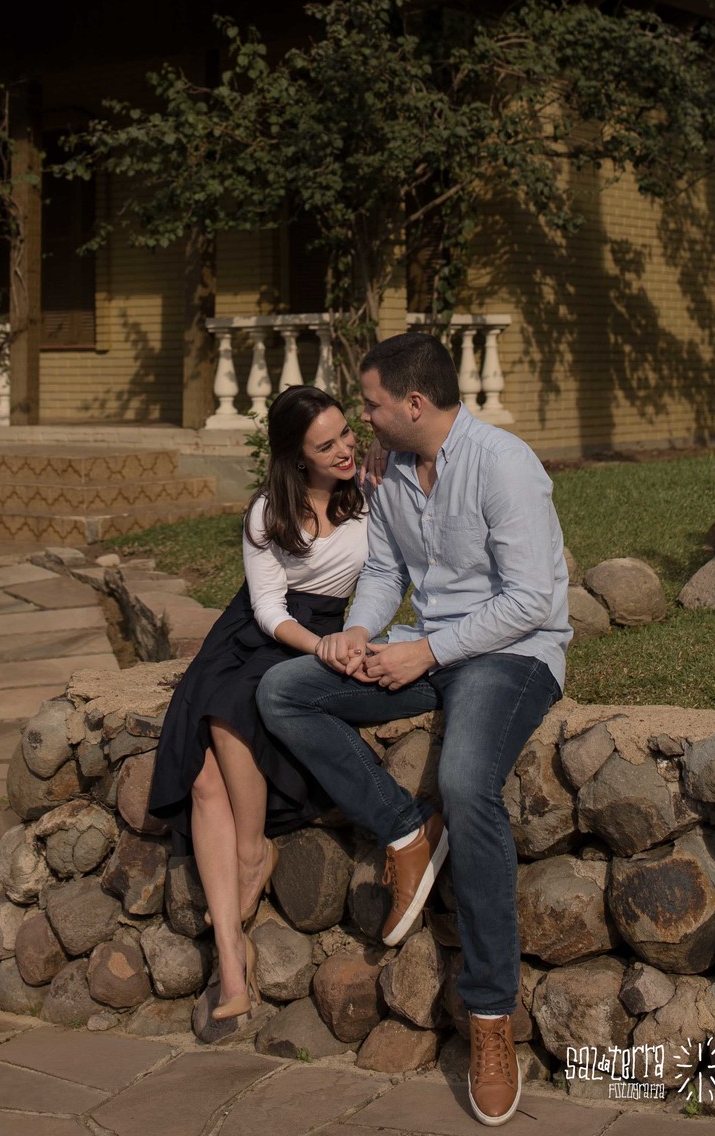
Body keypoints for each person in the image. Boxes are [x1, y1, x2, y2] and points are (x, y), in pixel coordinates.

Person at [257, 332, 570, 1127]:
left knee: (467, 783)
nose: (362, 419)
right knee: (286, 690)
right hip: (427, 651)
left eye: (369, 404)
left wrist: (425, 649)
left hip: (512, 656)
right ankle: (404, 830)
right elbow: (389, 573)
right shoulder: (393, 473)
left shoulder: (504, 465)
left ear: (414, 404)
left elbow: (532, 600)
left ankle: (492, 1019)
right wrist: (362, 635)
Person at [148, 383, 371, 1030]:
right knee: (207, 759)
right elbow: (269, 611)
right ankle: (236, 944)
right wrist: (321, 648)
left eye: (346, 435)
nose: (344, 450)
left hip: (317, 635)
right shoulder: (266, 513)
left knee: (217, 743)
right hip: (258, 634)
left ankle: (243, 896)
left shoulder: (371, 504)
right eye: (325, 445)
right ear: (297, 457)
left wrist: (342, 643)